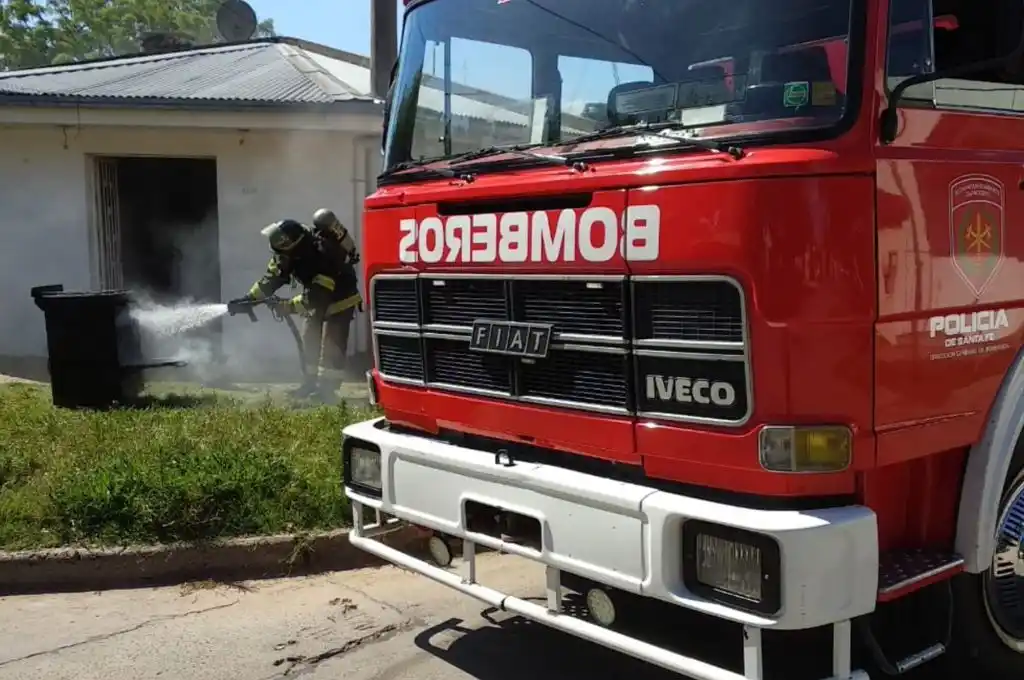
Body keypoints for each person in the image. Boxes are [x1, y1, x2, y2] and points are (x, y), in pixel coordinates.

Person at [243, 218, 362, 402]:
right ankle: (309, 384)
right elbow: (272, 278)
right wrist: (250, 299)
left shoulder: (321, 255)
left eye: (282, 254)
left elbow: (316, 299)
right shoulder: (289, 255)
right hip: (317, 296)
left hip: (341, 297)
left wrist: (287, 306)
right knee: (309, 338)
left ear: (294, 247)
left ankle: (327, 391)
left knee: (332, 343)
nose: (279, 259)